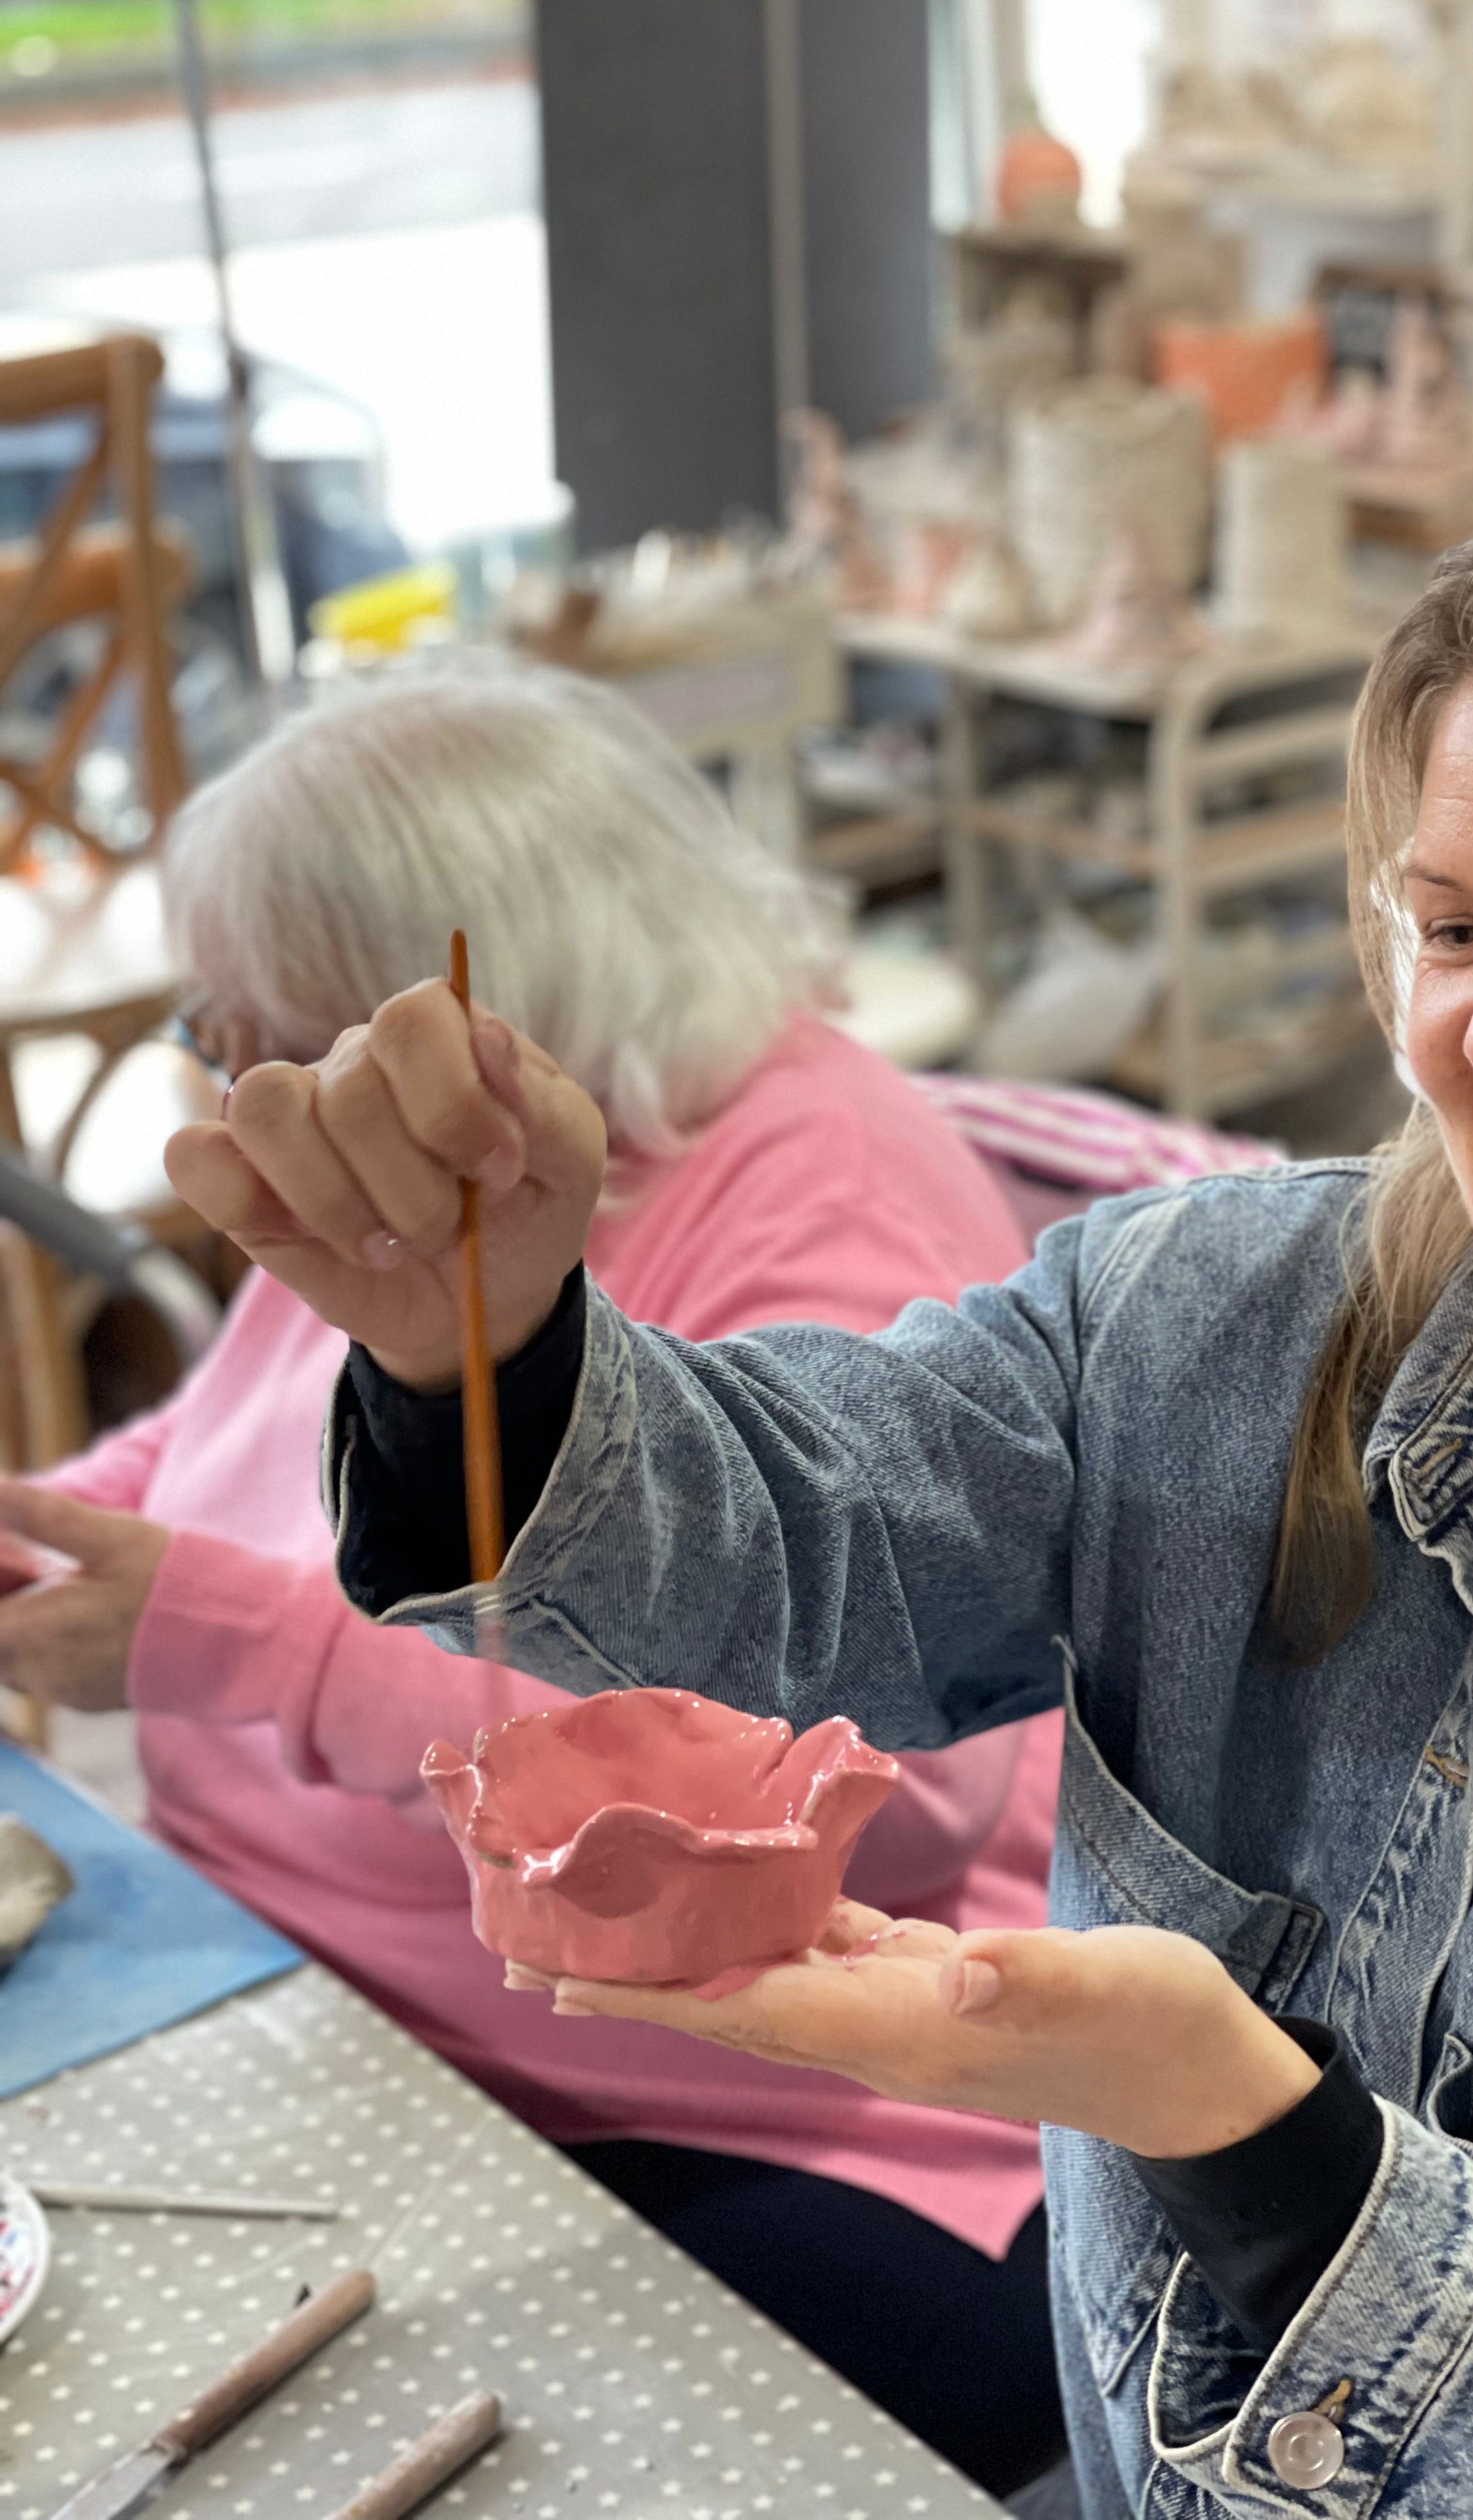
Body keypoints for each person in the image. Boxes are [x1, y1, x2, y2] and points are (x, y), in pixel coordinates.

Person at [159, 434, 1473, 2518]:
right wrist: (479, 1349)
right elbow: (804, 1545)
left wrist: (1253, 2147)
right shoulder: (1212, 1321)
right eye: (1454, 926)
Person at [0, 661, 1068, 2498]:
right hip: (330, 1986)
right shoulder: (400, 1173)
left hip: (752, 2098)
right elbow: (216, 1456)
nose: (214, 1050)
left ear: (467, 1016)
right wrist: (50, 1529)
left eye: (256, 1021)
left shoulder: (826, 1207)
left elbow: (866, 1813)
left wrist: (238, 1645)